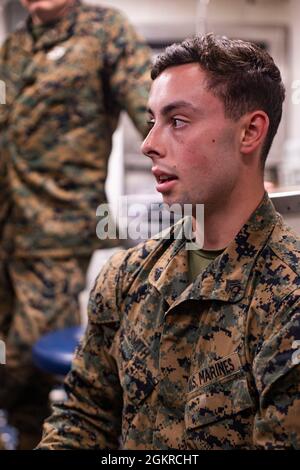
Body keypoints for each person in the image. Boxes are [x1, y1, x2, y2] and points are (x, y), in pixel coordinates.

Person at [37, 33, 300, 450]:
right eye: (151, 121)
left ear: (250, 132)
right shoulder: (126, 276)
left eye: (177, 121)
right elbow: (82, 417)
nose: (148, 144)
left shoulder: (288, 295)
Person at [0, 0, 151, 449]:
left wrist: (214, 158)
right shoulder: (14, 47)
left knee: (29, 355)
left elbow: (152, 105)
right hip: (7, 226)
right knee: (10, 355)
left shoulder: (105, 30)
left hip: (59, 228)